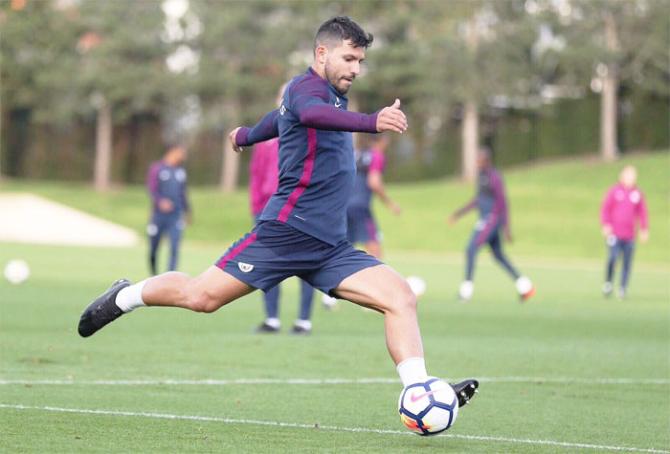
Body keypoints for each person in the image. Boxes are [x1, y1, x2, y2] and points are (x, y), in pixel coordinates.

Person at [78, 16, 477, 409]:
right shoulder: (305, 89)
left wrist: (247, 134)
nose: (356, 69)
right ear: (322, 53)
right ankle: (125, 296)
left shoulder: (331, 96)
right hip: (285, 234)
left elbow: (282, 118)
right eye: (349, 59)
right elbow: (305, 114)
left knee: (401, 297)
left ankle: (420, 392)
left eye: (360, 62)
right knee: (200, 297)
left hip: (329, 246)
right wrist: (371, 122)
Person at [249, 128, 315, 334]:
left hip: (300, 208)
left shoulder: (308, 135)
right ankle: (272, 318)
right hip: (269, 209)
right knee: (268, 263)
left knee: (306, 264)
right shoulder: (265, 139)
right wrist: (257, 207)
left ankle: (303, 320)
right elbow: (257, 174)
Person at [449, 148, 534, 302]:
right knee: (498, 255)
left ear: (486, 160)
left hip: (491, 221)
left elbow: (503, 203)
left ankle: (466, 292)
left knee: (471, 249)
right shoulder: (481, 176)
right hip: (485, 221)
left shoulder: (495, 177)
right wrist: (459, 213)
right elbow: (478, 200)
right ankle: (526, 287)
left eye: (479, 159)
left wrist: (506, 227)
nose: (476, 162)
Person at [347, 134, 400, 259]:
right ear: (384, 139)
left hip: (343, 206)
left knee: (342, 250)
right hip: (360, 207)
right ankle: (377, 279)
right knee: (375, 251)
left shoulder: (356, 153)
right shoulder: (376, 156)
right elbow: (374, 182)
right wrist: (390, 203)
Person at [600, 165, 649, 299]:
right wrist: (606, 224)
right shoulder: (614, 191)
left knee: (627, 262)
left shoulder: (637, 193)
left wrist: (644, 229)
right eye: (628, 175)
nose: (630, 178)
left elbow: (642, 212)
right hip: (615, 233)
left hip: (629, 235)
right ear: (622, 176)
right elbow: (605, 209)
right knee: (613, 258)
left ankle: (622, 287)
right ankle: (608, 283)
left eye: (633, 176)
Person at [146, 144, 191, 275]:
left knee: (175, 246)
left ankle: (169, 276)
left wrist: (187, 211)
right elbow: (152, 189)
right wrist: (160, 202)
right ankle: (153, 275)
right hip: (158, 216)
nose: (183, 156)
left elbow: (183, 193)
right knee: (154, 247)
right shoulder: (157, 168)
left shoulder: (181, 172)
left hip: (175, 216)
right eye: (181, 153)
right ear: (172, 152)